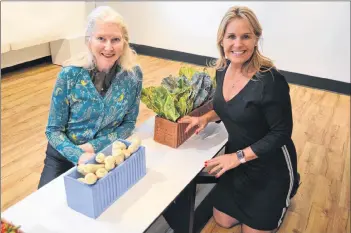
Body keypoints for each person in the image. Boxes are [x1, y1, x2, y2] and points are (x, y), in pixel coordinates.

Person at [177, 6, 300, 233]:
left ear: (256, 39)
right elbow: (228, 106)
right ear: (221, 40)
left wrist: (238, 157)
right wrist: (206, 118)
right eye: (231, 36)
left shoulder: (270, 80)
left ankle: (288, 188)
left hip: (270, 166)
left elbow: (281, 133)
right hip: (237, 162)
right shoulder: (222, 70)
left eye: (246, 36)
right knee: (222, 220)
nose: (238, 44)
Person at [38, 6, 143, 189]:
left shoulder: (133, 76)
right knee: (42, 208)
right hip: (63, 154)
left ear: (125, 42)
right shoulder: (69, 75)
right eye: (101, 38)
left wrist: (94, 147)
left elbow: (128, 124)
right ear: (89, 41)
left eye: (115, 39)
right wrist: (78, 155)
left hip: (105, 153)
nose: (108, 47)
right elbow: (53, 130)